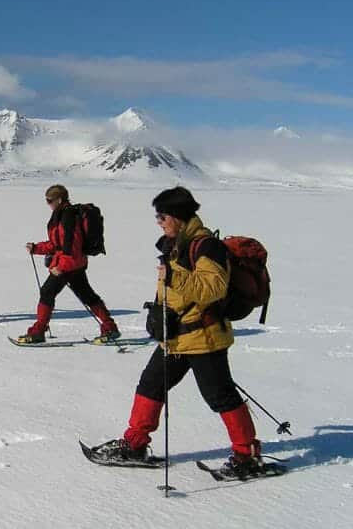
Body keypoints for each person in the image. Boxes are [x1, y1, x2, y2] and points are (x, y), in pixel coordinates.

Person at [93, 186, 265, 478]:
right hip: (176, 337)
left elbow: (213, 288)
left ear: (179, 217)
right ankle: (135, 444)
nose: (158, 221)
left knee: (220, 396)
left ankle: (246, 454)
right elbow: (175, 289)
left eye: (162, 216)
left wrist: (173, 276)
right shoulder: (178, 244)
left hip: (204, 337)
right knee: (150, 384)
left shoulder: (205, 246)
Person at [16, 185, 119, 344]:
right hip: (74, 264)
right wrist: (37, 248)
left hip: (69, 264)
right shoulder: (61, 215)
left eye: (49, 201)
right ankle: (110, 328)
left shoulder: (68, 217)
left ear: (59, 200)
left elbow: (71, 247)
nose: (47, 204)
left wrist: (61, 267)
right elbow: (57, 244)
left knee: (47, 292)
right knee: (87, 295)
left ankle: (38, 332)